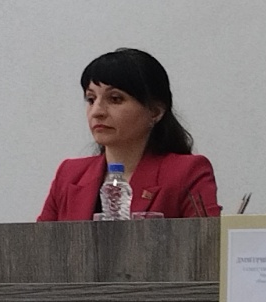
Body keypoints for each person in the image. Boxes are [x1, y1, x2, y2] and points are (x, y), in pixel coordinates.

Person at [37, 48, 221, 220]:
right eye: (91, 99)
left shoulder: (187, 172)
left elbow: (207, 240)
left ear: (155, 111)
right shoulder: (69, 174)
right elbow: (40, 242)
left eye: (115, 99)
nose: (97, 111)